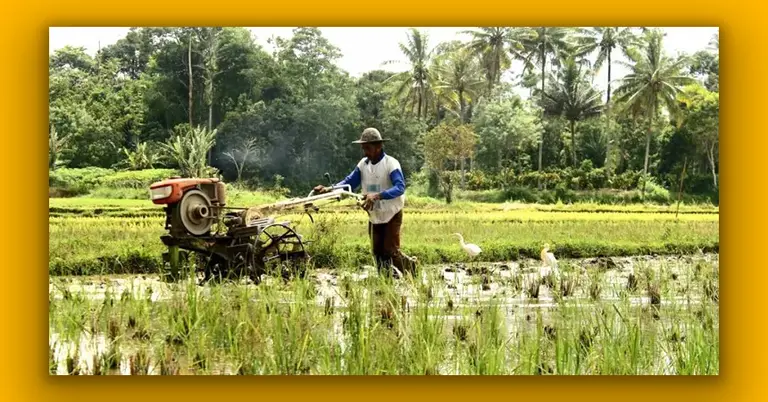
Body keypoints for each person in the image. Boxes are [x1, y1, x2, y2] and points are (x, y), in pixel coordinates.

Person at [314, 127, 417, 277]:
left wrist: (377, 196)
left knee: (390, 251)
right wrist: (329, 189)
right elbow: (349, 182)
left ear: (378, 147)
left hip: (392, 212)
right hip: (374, 214)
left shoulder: (391, 164)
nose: (365, 152)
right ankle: (385, 281)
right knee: (377, 251)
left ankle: (413, 270)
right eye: (364, 148)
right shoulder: (363, 164)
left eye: (368, 148)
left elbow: (400, 187)